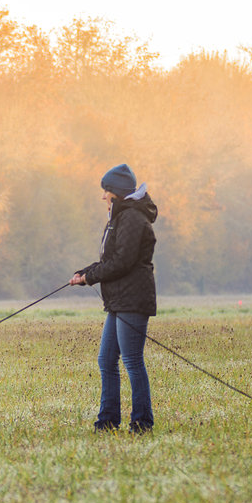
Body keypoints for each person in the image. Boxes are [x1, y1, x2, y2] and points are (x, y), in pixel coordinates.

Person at [69, 163, 157, 434]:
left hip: (132, 300)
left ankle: (142, 423)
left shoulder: (131, 217)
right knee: (106, 360)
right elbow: (110, 259)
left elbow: (123, 262)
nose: (103, 196)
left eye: (105, 191)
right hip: (119, 300)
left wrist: (90, 277)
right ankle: (107, 422)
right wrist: (85, 272)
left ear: (116, 193)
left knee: (132, 361)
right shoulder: (120, 217)